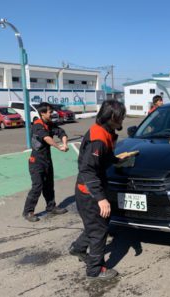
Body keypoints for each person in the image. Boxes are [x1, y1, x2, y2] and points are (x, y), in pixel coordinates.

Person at [69, 100, 129, 280]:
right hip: (89, 191)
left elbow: (105, 157)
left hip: (96, 186)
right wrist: (100, 198)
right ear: (112, 116)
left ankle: (78, 248)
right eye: (121, 116)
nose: (123, 119)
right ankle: (95, 270)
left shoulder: (107, 132)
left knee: (96, 225)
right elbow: (88, 170)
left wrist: (117, 160)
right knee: (99, 230)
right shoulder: (98, 137)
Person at [22, 102, 69, 222]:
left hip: (47, 160)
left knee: (49, 185)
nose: (52, 113)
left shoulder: (49, 124)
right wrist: (59, 147)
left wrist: (65, 144)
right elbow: (47, 138)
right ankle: (28, 212)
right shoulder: (37, 125)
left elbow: (61, 132)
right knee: (37, 186)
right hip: (36, 162)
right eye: (49, 112)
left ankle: (51, 207)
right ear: (42, 113)